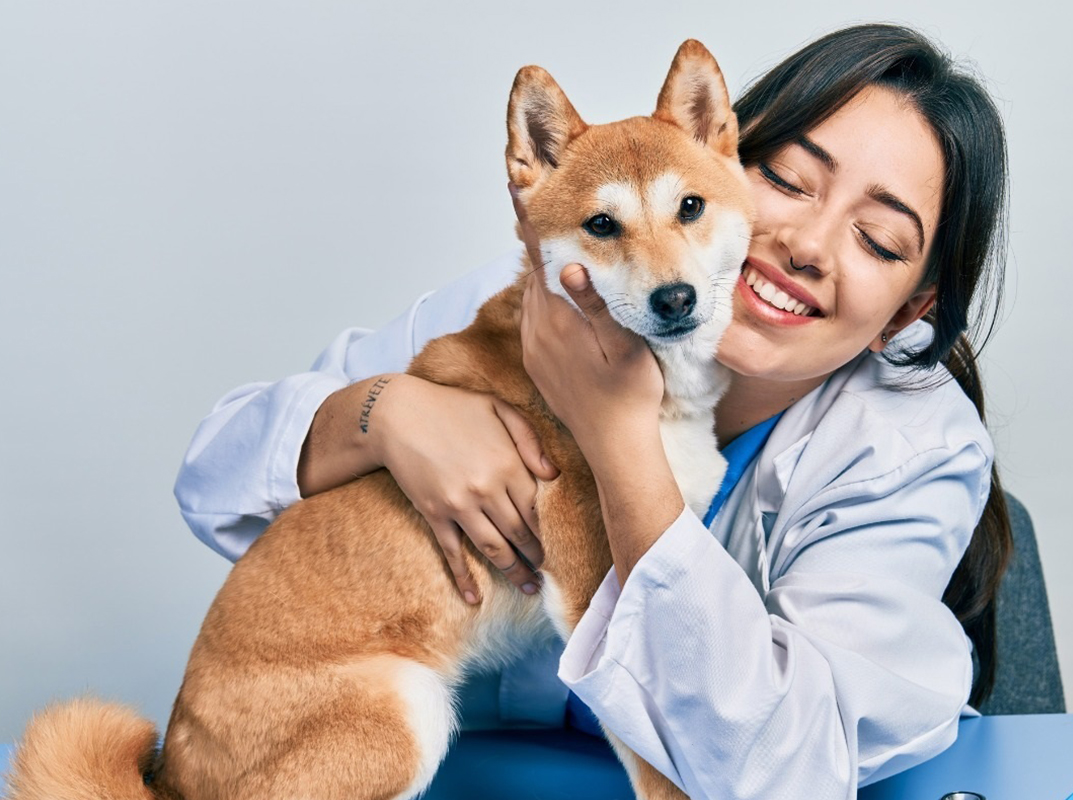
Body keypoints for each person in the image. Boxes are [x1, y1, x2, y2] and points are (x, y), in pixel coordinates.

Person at [174, 23, 1012, 799]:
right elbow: (216, 479)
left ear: (909, 311)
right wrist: (386, 411)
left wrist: (613, 438)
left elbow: (784, 762)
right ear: (729, 162)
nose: (807, 245)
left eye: (879, 240)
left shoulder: (911, 449)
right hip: (472, 771)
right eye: (790, 182)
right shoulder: (547, 301)